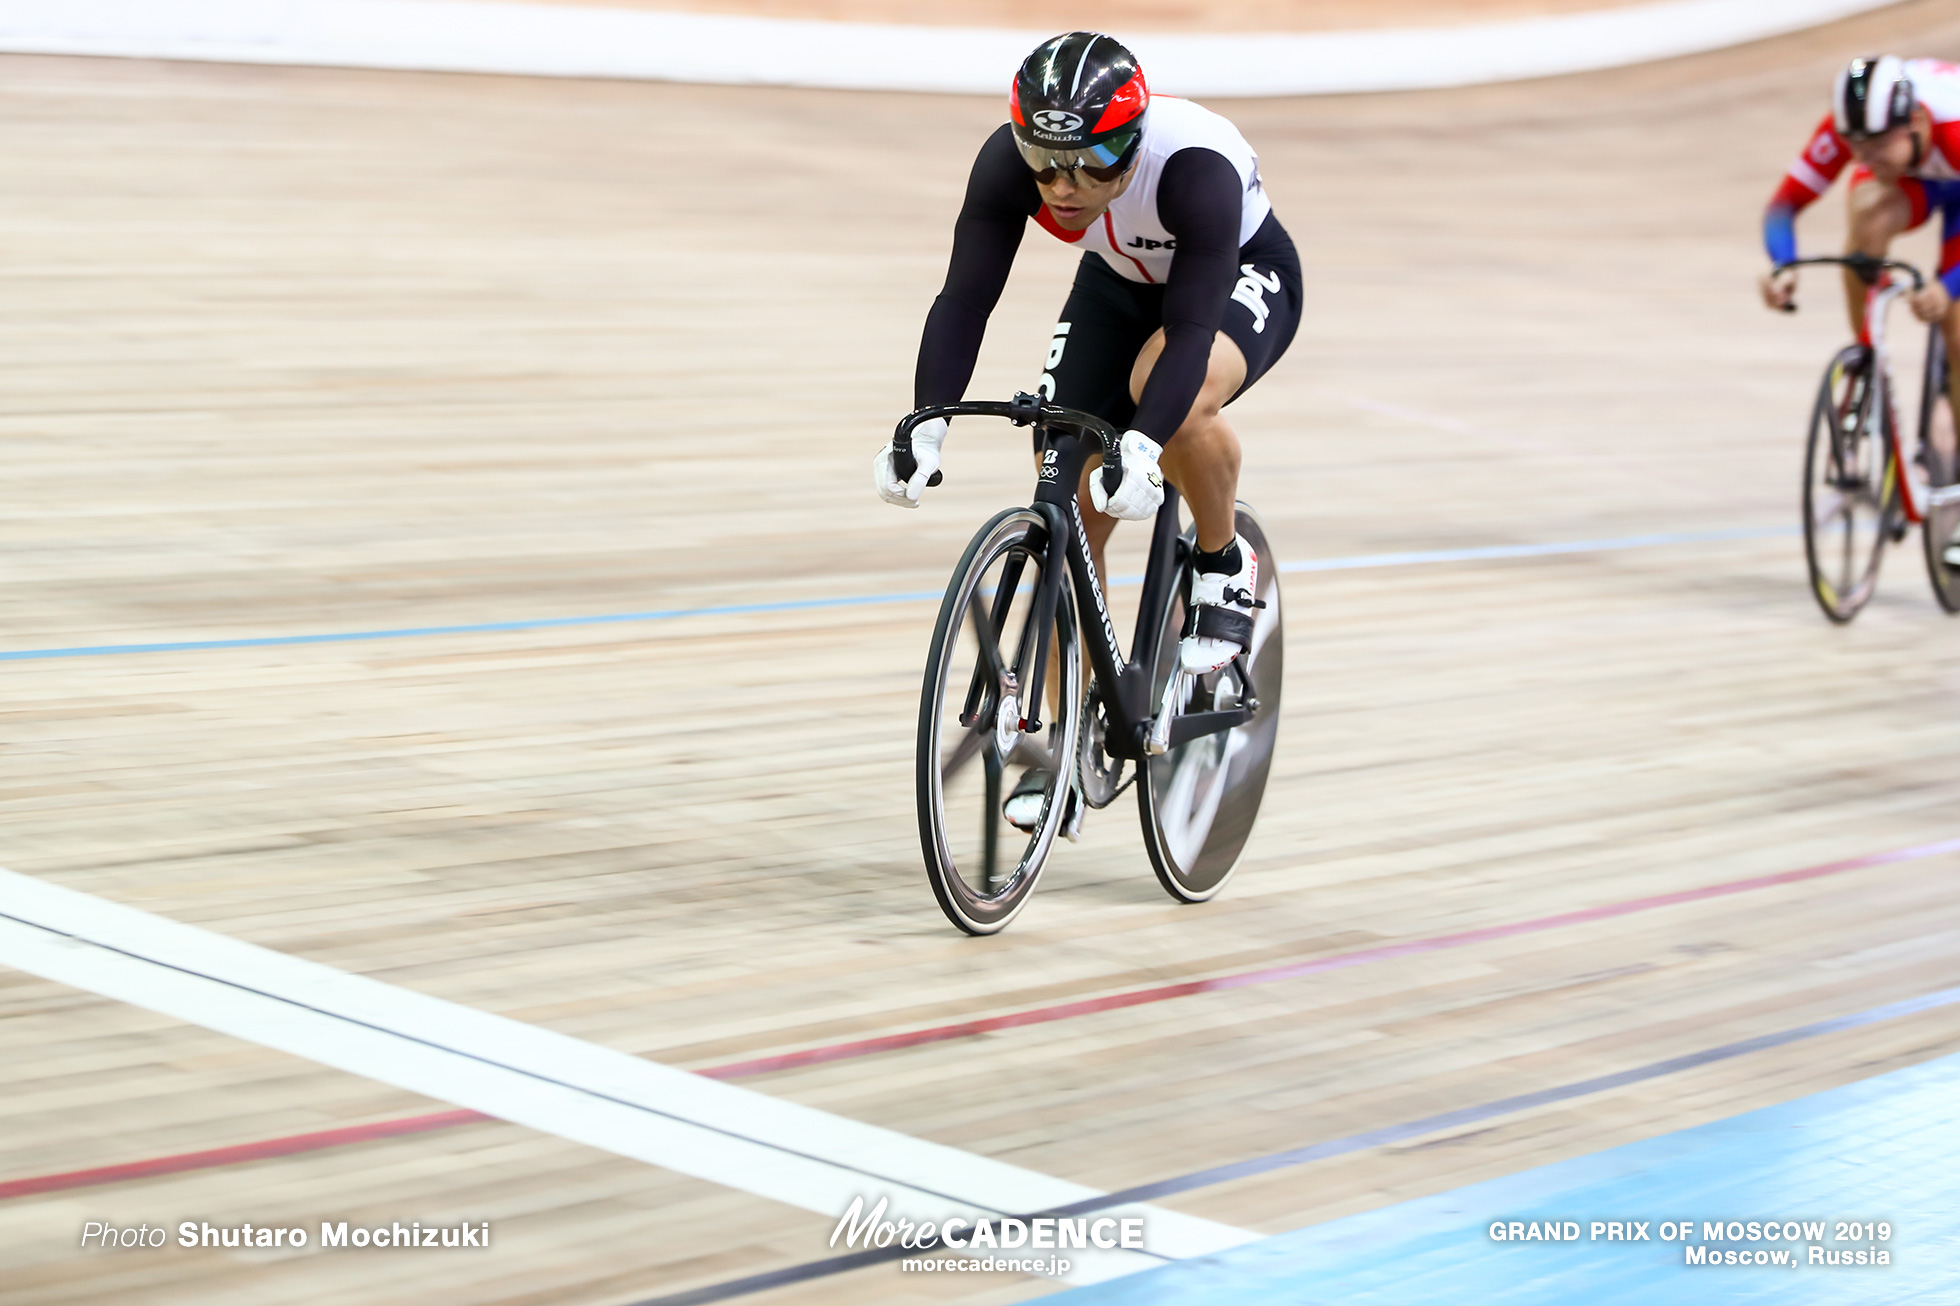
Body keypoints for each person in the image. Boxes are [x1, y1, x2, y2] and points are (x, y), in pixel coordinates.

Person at [871, 31, 1301, 829]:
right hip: (1120, 282)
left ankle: (1220, 558)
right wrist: (925, 423)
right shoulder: (1012, 164)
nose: (1065, 189)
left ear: (1133, 145)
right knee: (1063, 479)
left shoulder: (1193, 168)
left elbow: (1194, 327)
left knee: (1162, 395)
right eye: (1047, 162)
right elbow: (965, 299)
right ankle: (1072, 736)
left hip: (1235, 274)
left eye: (1096, 166)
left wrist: (1142, 444)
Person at [1759, 55, 1960, 394]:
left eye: (1877, 146)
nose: (1864, 158)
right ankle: (1869, 357)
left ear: (1915, 121)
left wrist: (1949, 287)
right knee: (1867, 216)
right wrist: (1783, 264)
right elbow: (1783, 207)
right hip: (1917, 176)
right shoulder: (1859, 125)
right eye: (1856, 148)